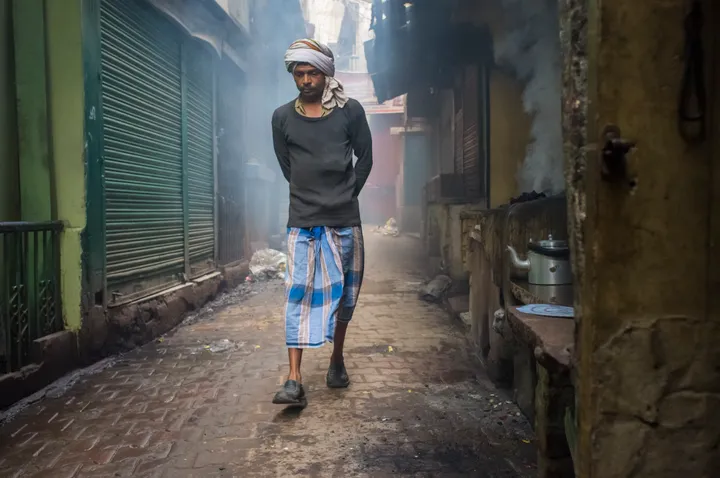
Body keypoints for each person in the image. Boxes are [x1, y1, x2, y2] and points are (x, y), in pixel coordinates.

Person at [271, 39, 373, 406]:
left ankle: (336, 359)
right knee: (298, 291)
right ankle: (294, 379)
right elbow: (288, 167)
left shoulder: (351, 112)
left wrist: (347, 194)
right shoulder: (282, 117)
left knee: (345, 293)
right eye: (299, 73)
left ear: (326, 73)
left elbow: (365, 159)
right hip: (302, 221)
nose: (306, 80)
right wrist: (308, 196)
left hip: (345, 220)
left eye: (312, 72)